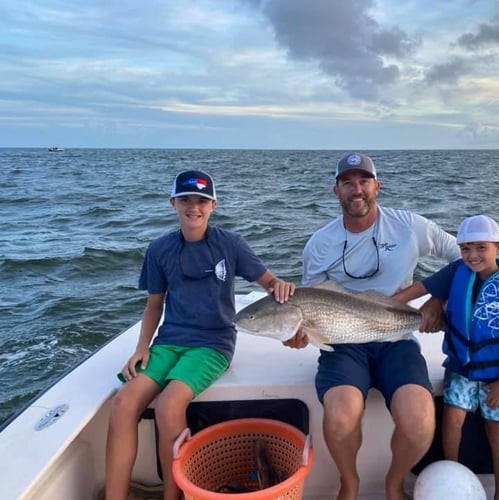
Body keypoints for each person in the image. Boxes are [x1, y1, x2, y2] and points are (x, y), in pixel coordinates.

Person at [104, 170, 295, 500]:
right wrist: (142, 348)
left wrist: (283, 287)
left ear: (213, 205)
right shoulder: (159, 248)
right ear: (173, 203)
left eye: (202, 201)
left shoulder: (230, 244)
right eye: (186, 200)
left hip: (213, 343)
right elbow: (154, 305)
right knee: (123, 402)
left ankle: (172, 495)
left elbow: (269, 283)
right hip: (168, 342)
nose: (194, 207)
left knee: (168, 406)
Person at [285, 152, 461, 500]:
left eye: (364, 180)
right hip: (342, 343)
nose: (357, 189)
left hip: (397, 336)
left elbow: (460, 254)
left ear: (377, 186)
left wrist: (436, 301)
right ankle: (349, 483)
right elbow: (311, 302)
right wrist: (301, 334)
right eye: (347, 182)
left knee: (420, 420)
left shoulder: (408, 226)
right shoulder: (320, 244)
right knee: (340, 416)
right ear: (335, 190)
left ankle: (394, 484)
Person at [393, 214, 499, 500]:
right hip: (461, 367)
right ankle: (453, 477)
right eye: (465, 248)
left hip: (498, 376)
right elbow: (422, 287)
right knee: (452, 421)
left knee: (498, 431)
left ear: (498, 247)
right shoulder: (456, 272)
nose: (472, 255)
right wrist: (386, 302)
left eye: (481, 247)